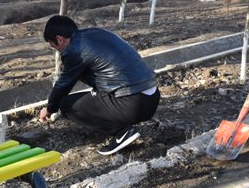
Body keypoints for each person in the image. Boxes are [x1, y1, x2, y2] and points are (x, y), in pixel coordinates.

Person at [38, 16, 160, 155]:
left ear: (59, 39)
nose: (57, 51)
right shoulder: (96, 33)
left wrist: (50, 108)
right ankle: (129, 119)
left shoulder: (74, 51)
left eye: (54, 47)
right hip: (152, 96)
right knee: (92, 94)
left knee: (66, 105)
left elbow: (64, 84)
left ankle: (121, 132)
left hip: (133, 105)